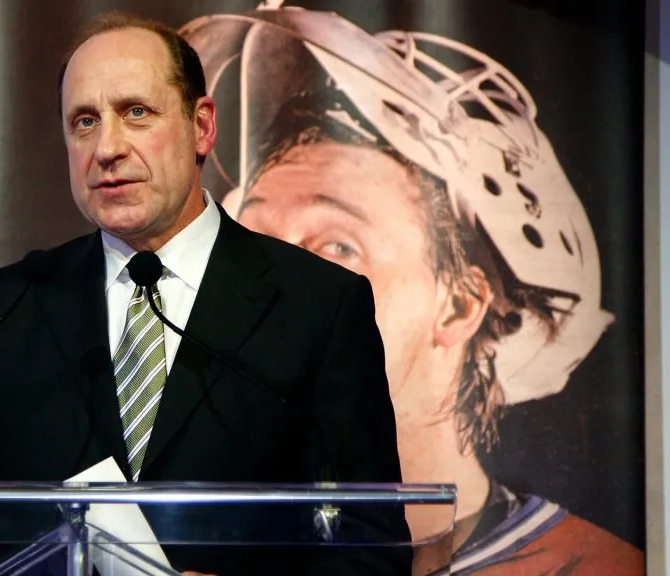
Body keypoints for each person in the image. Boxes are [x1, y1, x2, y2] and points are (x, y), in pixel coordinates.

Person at [0, 9, 410, 576]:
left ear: (202, 126)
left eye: (136, 112)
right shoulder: (8, 307)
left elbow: (370, 550)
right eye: (84, 121)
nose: (107, 147)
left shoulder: (318, 306)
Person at [180, 7, 643, 574]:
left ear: (460, 305)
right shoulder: (220, 549)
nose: (273, 282)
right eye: (258, 244)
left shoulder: (588, 567)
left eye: (335, 247)